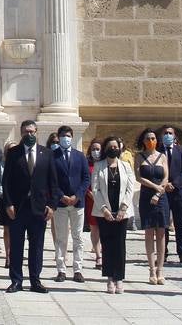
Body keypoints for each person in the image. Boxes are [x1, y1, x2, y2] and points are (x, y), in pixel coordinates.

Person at [3, 119, 57, 294]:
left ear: (37, 132)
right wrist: (8, 203)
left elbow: (53, 184)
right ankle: (16, 280)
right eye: (26, 132)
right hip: (18, 209)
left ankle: (35, 280)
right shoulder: (13, 153)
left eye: (32, 131)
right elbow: (6, 182)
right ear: (21, 133)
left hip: (39, 209)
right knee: (16, 246)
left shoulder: (47, 154)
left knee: (37, 246)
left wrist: (52, 205)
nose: (30, 134)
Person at [92, 135, 135, 294]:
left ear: (120, 148)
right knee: (107, 244)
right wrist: (104, 209)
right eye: (110, 146)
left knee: (120, 245)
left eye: (116, 147)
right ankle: (109, 277)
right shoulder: (99, 166)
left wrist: (123, 208)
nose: (113, 149)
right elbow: (95, 189)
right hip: (104, 212)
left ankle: (119, 278)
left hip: (121, 212)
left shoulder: (126, 166)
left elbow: (130, 189)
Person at [51, 124, 90, 284]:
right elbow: (51, 180)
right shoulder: (52, 156)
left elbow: (86, 178)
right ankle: (61, 269)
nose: (66, 139)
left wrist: (78, 195)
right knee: (61, 238)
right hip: (60, 203)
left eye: (68, 136)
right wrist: (61, 196)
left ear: (72, 138)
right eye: (63, 136)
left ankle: (78, 269)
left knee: (78, 237)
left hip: (77, 203)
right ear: (58, 138)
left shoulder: (79, 156)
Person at [135, 128, 170, 285]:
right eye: (148, 138)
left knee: (161, 232)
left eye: (153, 138)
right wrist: (155, 188)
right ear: (144, 140)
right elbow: (138, 177)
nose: (151, 140)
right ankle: (151, 268)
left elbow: (166, 176)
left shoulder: (162, 156)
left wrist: (159, 191)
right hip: (147, 196)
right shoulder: (139, 156)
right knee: (149, 232)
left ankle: (160, 269)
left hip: (161, 197)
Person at [161, 124, 182, 266]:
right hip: (164, 192)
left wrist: (175, 184)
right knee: (164, 225)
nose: (167, 135)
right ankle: (163, 253)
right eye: (165, 133)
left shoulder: (181, 151)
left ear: (174, 136)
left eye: (170, 133)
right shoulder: (158, 151)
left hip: (179, 192)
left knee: (180, 225)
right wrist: (165, 184)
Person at [85, 138, 102, 269]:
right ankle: (98, 256)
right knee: (94, 228)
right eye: (93, 149)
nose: (96, 152)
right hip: (91, 200)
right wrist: (92, 195)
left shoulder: (106, 164)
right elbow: (84, 182)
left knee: (104, 229)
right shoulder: (87, 165)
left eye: (98, 149)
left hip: (105, 200)